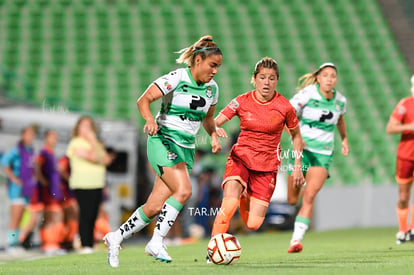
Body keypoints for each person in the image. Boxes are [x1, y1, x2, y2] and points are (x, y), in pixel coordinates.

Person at [103, 35, 223, 267]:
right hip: (163, 139)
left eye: (218, 66)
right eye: (212, 65)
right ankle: (156, 241)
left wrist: (214, 135)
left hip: (186, 148)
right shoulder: (177, 78)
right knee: (185, 190)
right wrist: (149, 119)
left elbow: (208, 118)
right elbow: (143, 100)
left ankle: (115, 237)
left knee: (155, 206)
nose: (215, 71)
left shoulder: (212, 90)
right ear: (198, 60)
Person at [209, 57, 304, 243]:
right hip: (241, 159)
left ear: (277, 80)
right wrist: (213, 133)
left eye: (271, 78)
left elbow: (296, 136)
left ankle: (245, 197)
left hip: (266, 168)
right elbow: (214, 121)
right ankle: (213, 248)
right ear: (254, 79)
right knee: (228, 204)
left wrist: (298, 166)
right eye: (262, 77)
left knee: (253, 224)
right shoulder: (242, 101)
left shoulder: (285, 107)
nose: (266, 82)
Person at [286, 62, 349, 253]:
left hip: (323, 152)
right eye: (326, 75)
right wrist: (294, 136)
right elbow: (287, 114)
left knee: (310, 195)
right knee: (292, 199)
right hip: (301, 151)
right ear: (319, 78)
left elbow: (339, 119)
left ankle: (296, 240)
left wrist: (344, 139)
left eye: (333, 76)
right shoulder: (307, 94)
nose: (330, 79)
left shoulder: (340, 101)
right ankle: (296, 206)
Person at [66, 116, 113, 254]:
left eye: (89, 126)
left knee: (93, 214)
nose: (87, 129)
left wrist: (96, 145)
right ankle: (85, 244)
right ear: (78, 128)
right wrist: (93, 142)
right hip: (83, 184)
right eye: (84, 126)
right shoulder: (75, 143)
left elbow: (106, 160)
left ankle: (89, 243)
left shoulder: (97, 144)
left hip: (97, 183)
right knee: (85, 214)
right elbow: (94, 158)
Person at [20, 130, 66, 255]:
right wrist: (43, 181)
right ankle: (48, 244)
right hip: (47, 191)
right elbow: (37, 167)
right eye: (52, 137)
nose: (55, 140)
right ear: (46, 138)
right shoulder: (43, 152)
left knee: (52, 216)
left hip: (54, 191)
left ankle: (51, 243)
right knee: (53, 216)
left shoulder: (51, 153)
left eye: (56, 137)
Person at [386, 74, 414, 244]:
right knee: (403, 196)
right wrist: (409, 127)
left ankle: (412, 228)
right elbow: (390, 128)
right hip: (406, 156)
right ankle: (403, 230)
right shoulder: (405, 104)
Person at [0, 125, 36, 254]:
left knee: (22, 218)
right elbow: (4, 162)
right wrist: (13, 178)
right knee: (15, 218)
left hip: (27, 189)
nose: (31, 137)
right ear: (23, 135)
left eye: (33, 135)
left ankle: (16, 243)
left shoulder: (30, 150)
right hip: (16, 189)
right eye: (29, 134)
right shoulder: (16, 150)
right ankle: (10, 244)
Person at [57, 155, 79, 251]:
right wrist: (70, 180)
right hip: (65, 193)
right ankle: (64, 241)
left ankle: (69, 240)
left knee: (72, 216)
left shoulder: (76, 160)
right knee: (70, 215)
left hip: (70, 193)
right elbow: (60, 169)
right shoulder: (65, 159)